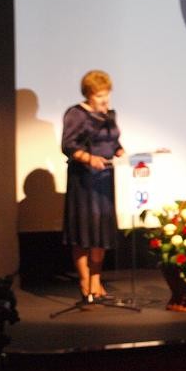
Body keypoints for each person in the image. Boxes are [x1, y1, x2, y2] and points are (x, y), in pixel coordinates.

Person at [61, 70, 124, 303]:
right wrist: (89, 159)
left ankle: (96, 279)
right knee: (84, 230)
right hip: (84, 180)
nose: (105, 100)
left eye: (107, 95)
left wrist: (121, 151)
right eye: (99, 96)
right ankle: (84, 279)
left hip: (104, 178)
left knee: (101, 230)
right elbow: (68, 145)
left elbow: (114, 141)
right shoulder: (76, 114)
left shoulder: (109, 115)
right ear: (88, 95)